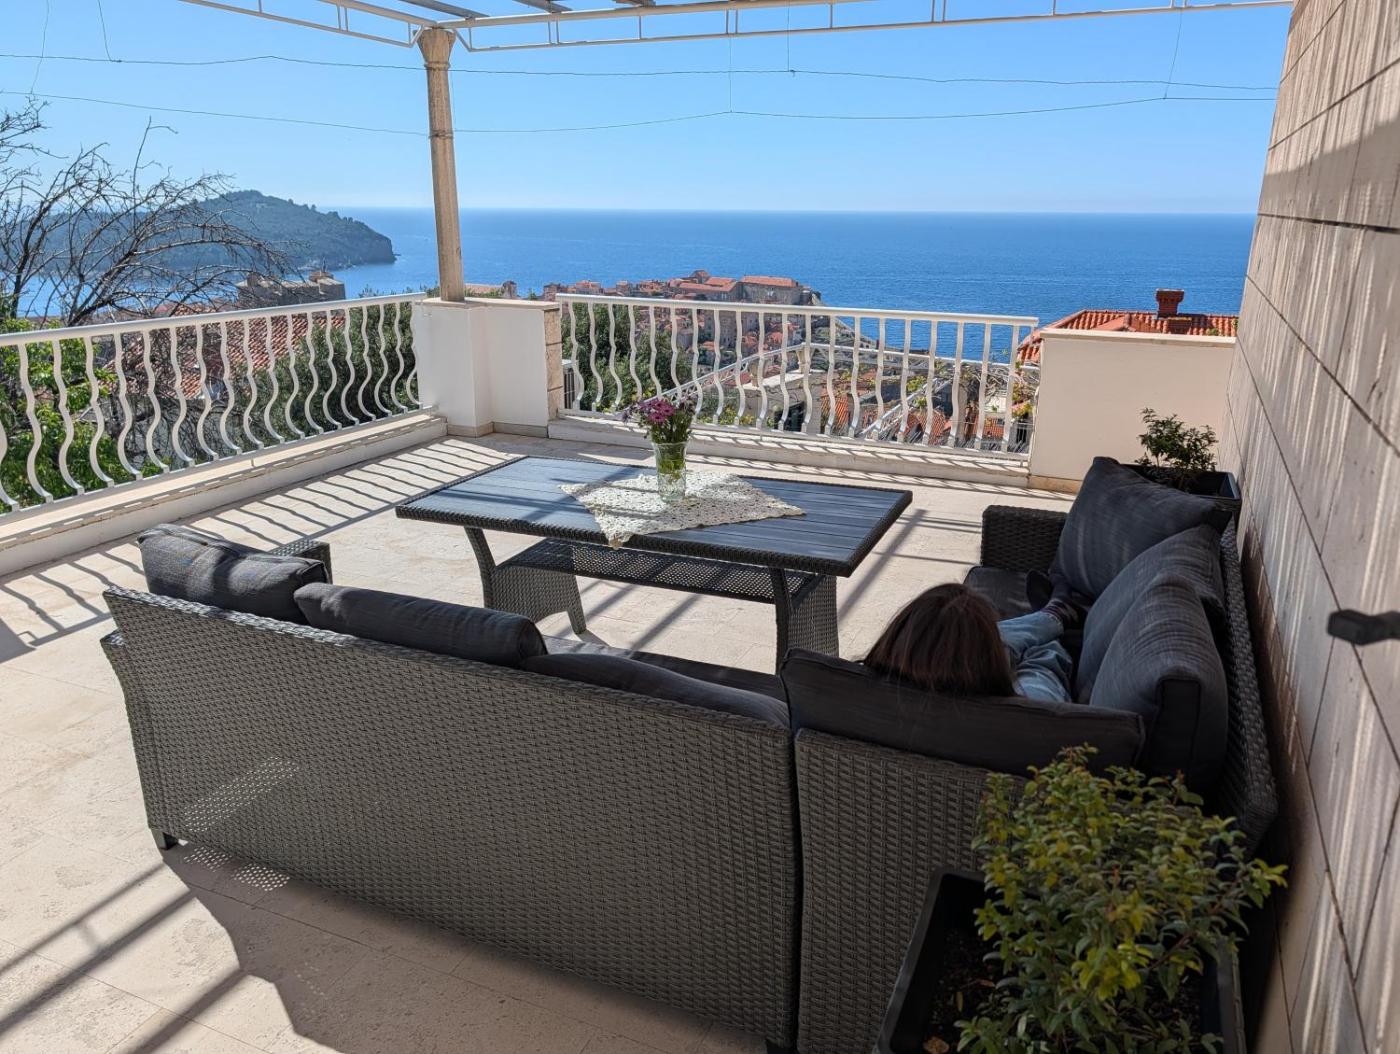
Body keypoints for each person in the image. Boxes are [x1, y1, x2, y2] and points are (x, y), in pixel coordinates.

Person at [863, 582, 1079, 703]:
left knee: (954, 631)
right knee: (1041, 653)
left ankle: (1052, 617)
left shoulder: (857, 693)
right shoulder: (1031, 710)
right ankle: (1052, 620)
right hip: (1017, 698)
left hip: (923, 679)